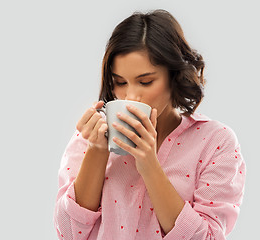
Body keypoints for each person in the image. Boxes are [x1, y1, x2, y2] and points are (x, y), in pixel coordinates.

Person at [53, 9, 246, 240]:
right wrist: (97, 151)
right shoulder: (89, 136)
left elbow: (207, 237)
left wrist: (149, 165)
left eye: (145, 81)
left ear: (174, 76)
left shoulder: (215, 142)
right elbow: (68, 233)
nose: (131, 96)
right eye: (120, 82)